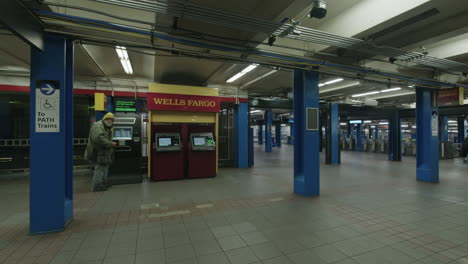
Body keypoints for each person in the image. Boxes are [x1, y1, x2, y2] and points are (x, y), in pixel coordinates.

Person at [84, 112, 117, 191]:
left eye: (112, 120)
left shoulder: (106, 127)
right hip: (97, 152)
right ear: (105, 119)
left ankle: (102, 184)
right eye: (109, 119)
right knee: (99, 168)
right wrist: (110, 143)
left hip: (103, 152)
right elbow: (98, 138)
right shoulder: (98, 126)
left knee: (104, 167)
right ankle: (97, 186)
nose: (110, 121)